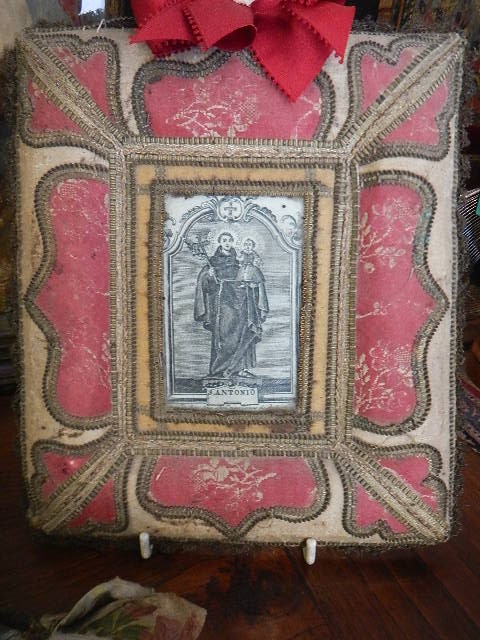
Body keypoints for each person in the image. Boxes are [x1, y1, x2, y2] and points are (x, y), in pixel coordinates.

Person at [194, 232, 269, 378]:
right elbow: (206, 285)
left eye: (230, 240)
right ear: (220, 242)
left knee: (241, 333)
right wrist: (209, 276)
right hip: (222, 305)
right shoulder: (212, 262)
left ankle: (240, 369)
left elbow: (247, 277)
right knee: (224, 337)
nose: (227, 243)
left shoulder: (238, 260)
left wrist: (250, 285)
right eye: (224, 240)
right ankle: (218, 370)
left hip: (240, 303)